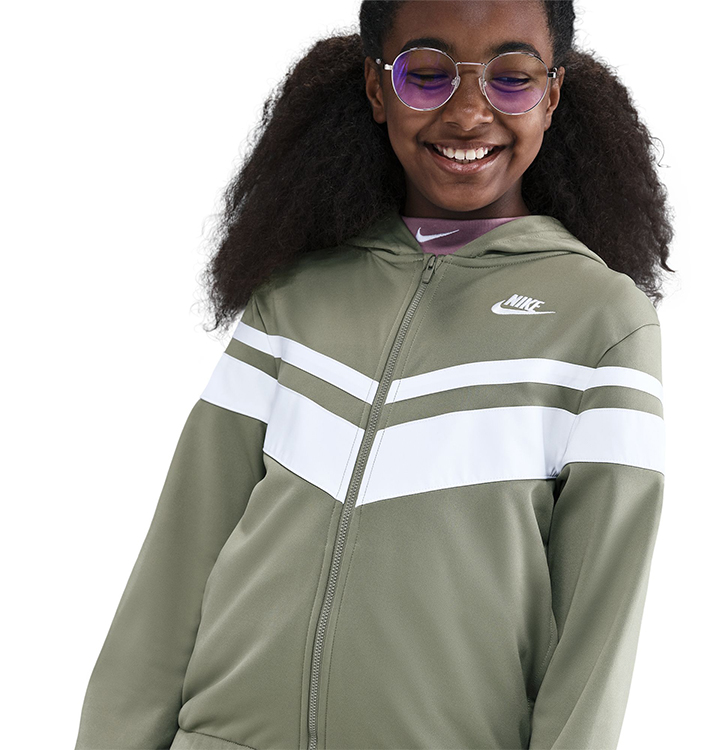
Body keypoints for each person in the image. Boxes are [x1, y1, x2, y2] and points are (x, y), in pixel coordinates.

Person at [73, 1, 674, 748]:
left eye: (512, 78)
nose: (468, 113)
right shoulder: (294, 294)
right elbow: (177, 561)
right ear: (376, 87)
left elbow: (597, 632)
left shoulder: (601, 322)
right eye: (427, 74)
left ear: (552, 94)